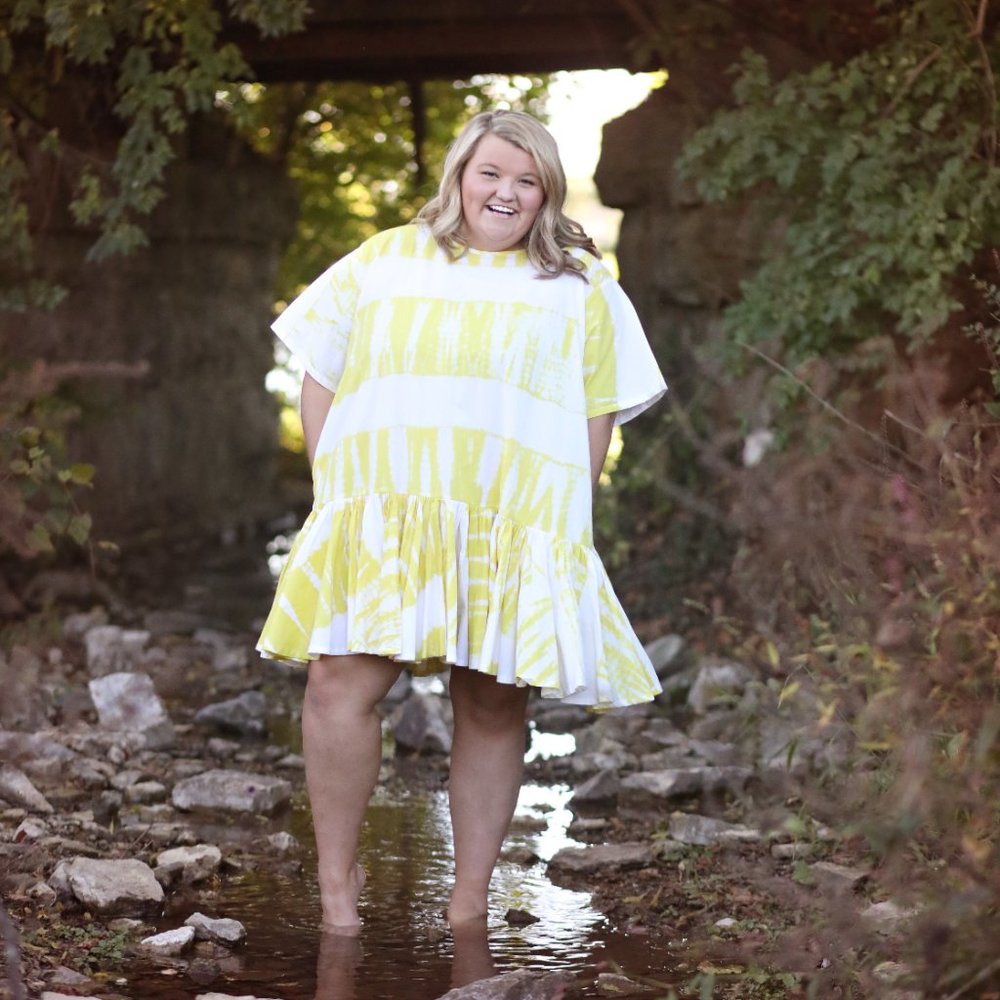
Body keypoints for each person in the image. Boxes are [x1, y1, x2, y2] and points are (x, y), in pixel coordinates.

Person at [257, 109, 667, 932]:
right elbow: (319, 367)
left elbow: (596, 411)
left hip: (511, 524)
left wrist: (566, 526)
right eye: (492, 174)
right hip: (382, 513)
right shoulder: (386, 259)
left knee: (490, 704)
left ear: (547, 193)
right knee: (338, 682)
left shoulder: (580, 288)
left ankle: (468, 903)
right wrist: (332, 482)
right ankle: (339, 893)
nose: (507, 193)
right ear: (460, 176)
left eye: (528, 181)